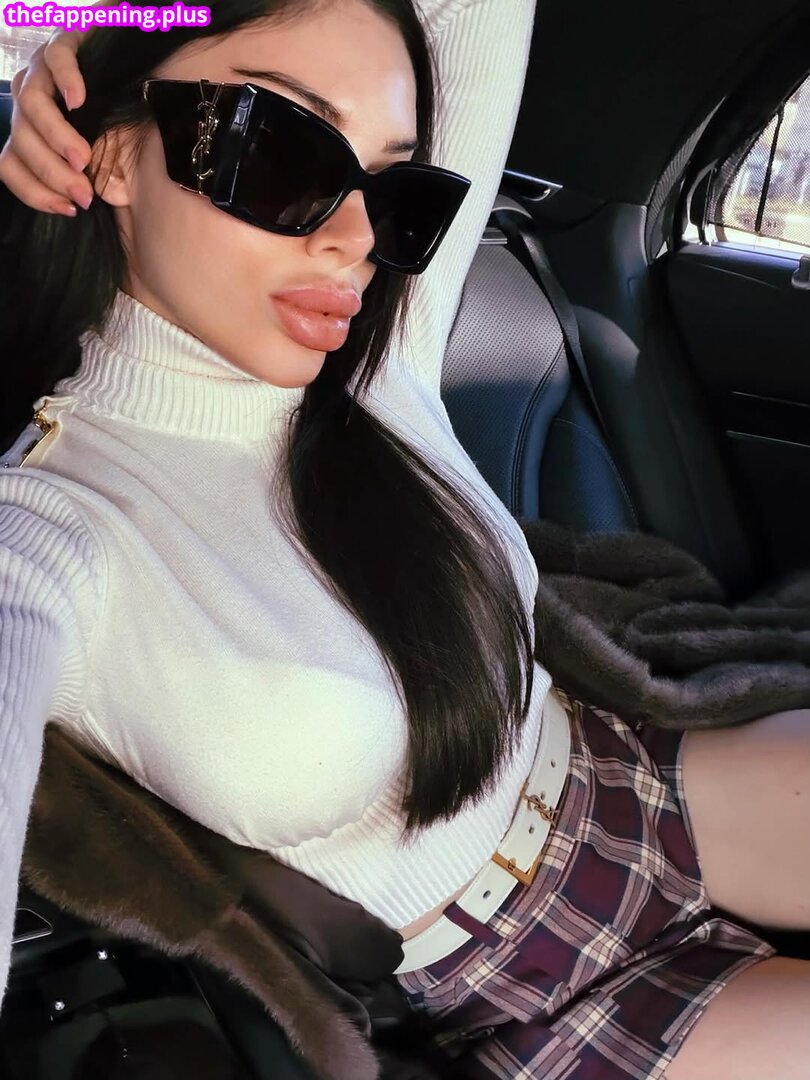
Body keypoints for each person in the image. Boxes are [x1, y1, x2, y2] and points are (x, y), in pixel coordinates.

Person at [0, 3, 809, 1077]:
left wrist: (106, 13)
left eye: (393, 187)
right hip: (520, 990)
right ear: (108, 153)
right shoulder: (45, 536)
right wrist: (70, 27)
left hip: (635, 782)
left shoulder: (376, 367)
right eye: (281, 150)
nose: (355, 240)